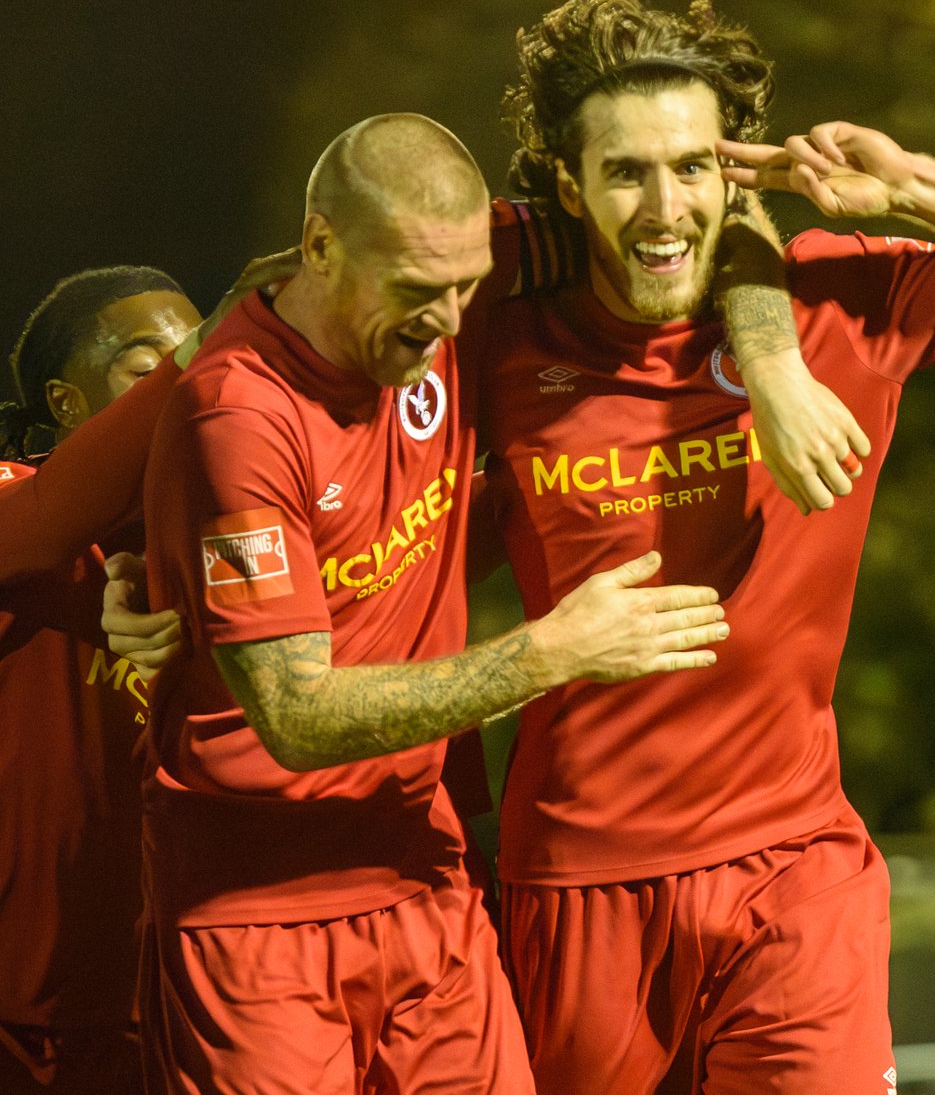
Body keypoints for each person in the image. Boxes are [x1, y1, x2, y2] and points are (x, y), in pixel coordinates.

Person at [459, 0, 935, 1093]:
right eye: (625, 171)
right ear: (566, 184)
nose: (664, 204)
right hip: (580, 877)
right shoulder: (499, 334)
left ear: (734, 171)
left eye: (692, 166)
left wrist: (910, 185)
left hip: (795, 867)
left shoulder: (838, 301)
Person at [137, 112, 731, 1095]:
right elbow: (293, 715)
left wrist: (778, 360)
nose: (452, 322)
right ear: (320, 246)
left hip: (425, 878)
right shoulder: (237, 414)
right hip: (257, 918)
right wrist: (546, 654)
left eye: (466, 288)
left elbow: (693, 218)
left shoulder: (437, 321)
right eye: (420, 290)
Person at [0, 266, 201, 1094]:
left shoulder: (234, 517)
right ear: (67, 402)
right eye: (147, 361)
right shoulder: (15, 500)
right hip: (31, 1006)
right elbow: (48, 537)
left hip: (195, 979)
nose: (188, 373)